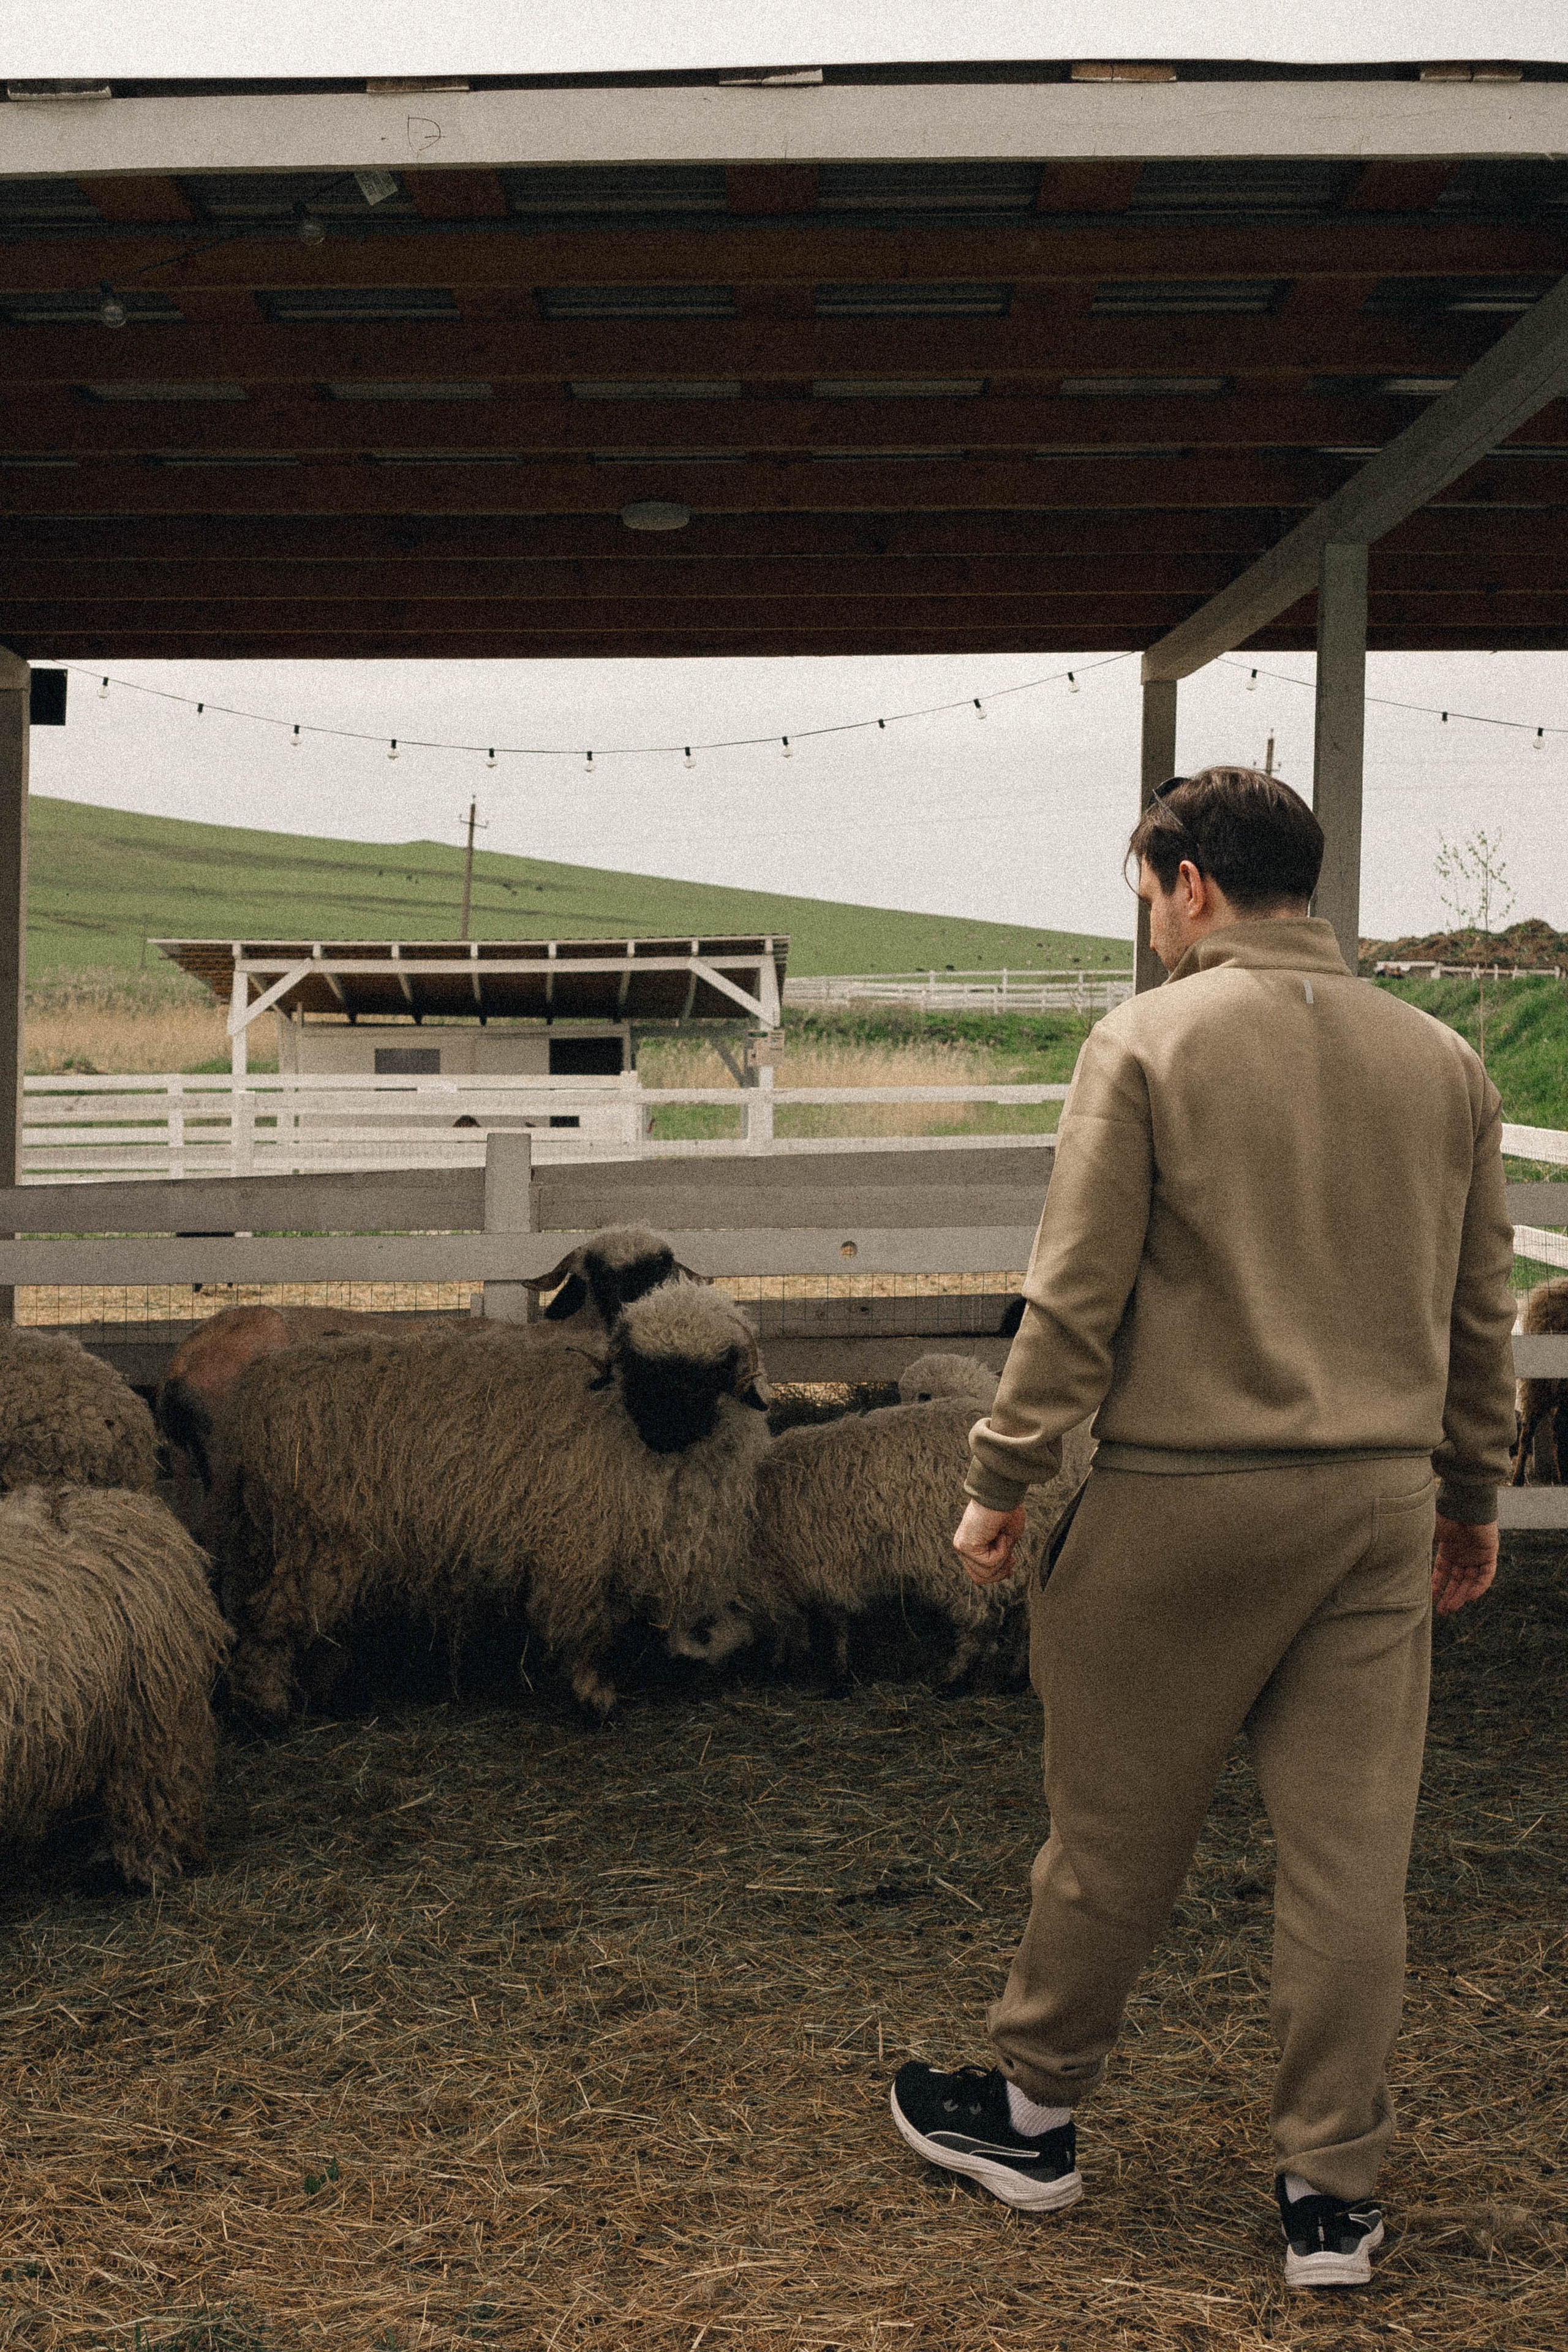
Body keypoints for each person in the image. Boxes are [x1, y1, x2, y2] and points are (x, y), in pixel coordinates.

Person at [886, 766, 1516, 2291]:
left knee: (1110, 1840)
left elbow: (1076, 1292)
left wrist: (1000, 1477)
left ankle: (1032, 2116)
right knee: (1351, 1864)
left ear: (1185, 882)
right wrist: (1471, 1491)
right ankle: (1331, 2199)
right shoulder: (1440, 1061)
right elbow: (1477, 1309)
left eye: (1144, 888)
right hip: (1371, 1512)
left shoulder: (1146, 1042)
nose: (1150, 918)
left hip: (1178, 1499)